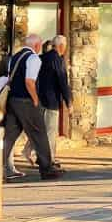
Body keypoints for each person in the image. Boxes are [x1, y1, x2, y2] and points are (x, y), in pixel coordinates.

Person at [0, 34, 61, 180]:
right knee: (39, 134)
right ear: (37, 45)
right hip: (26, 101)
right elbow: (29, 81)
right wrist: (35, 99)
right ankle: (47, 169)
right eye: (39, 45)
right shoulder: (33, 58)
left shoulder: (15, 57)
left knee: (9, 136)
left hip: (12, 100)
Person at [36, 33, 73, 167]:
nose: (66, 48)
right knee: (50, 131)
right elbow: (63, 82)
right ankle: (50, 159)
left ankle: (37, 155)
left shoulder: (42, 57)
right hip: (51, 101)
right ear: (61, 46)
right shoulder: (57, 59)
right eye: (65, 46)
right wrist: (69, 102)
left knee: (41, 130)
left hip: (39, 99)